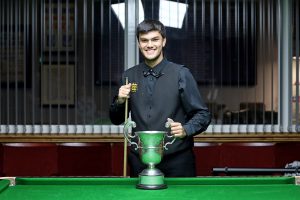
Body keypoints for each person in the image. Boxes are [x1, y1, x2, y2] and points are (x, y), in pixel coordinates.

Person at [109, 19, 211, 177]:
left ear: (163, 41)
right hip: (139, 161)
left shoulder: (181, 74)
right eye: (144, 40)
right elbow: (116, 119)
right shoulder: (129, 76)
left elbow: (203, 114)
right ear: (138, 43)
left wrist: (186, 129)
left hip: (177, 161)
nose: (149, 45)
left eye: (154, 39)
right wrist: (120, 101)